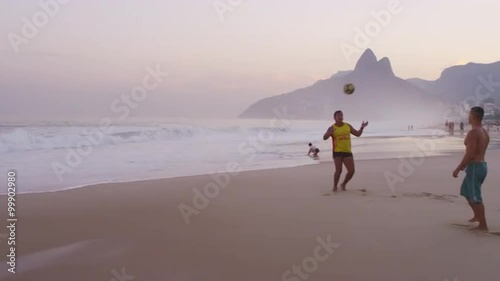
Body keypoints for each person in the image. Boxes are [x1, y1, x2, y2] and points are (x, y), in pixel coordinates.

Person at [453, 107, 490, 231]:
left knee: (475, 196)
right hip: (482, 165)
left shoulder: (473, 133)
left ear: (473, 116)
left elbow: (470, 154)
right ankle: (477, 215)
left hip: (475, 166)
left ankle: (483, 225)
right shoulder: (484, 131)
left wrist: (458, 168)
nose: (468, 117)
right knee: (465, 191)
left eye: (469, 115)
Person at [323, 110, 368, 192]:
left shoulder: (347, 126)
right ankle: (335, 187)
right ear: (334, 118)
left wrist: (362, 128)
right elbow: (324, 138)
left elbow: (357, 134)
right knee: (339, 171)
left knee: (351, 171)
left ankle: (343, 184)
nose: (340, 117)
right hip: (337, 152)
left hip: (347, 151)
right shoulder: (332, 128)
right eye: (338, 116)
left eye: (341, 115)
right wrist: (329, 133)